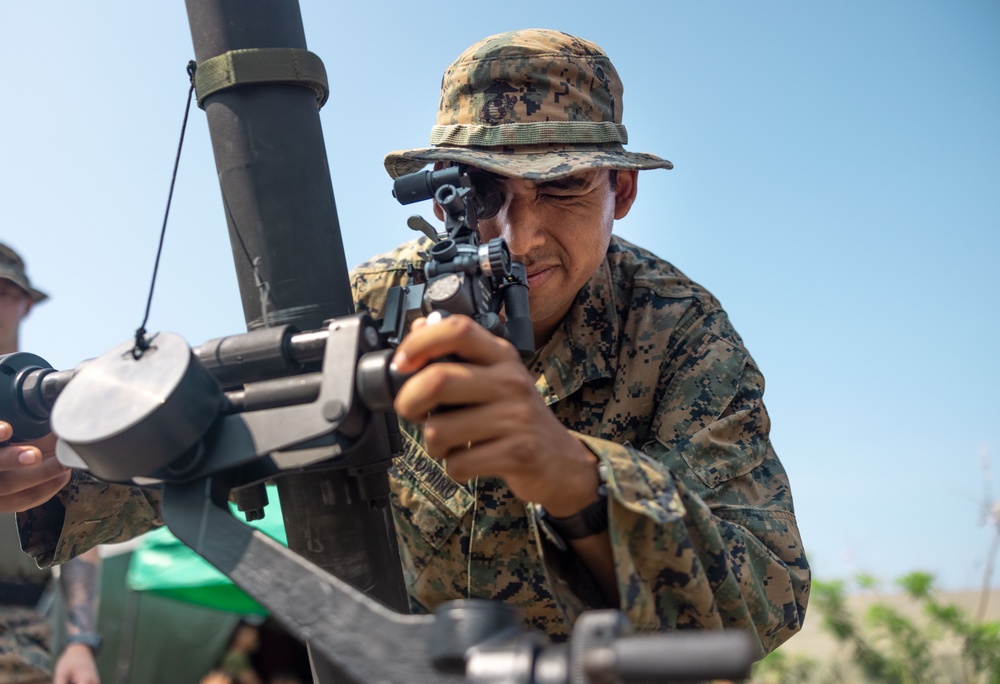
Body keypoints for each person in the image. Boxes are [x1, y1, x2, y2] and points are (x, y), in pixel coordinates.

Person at [0, 28, 809, 657]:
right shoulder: (381, 300)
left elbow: (763, 600)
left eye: (562, 188)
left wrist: (574, 476)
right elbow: (221, 435)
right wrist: (51, 465)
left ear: (620, 191)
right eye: (486, 193)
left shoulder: (677, 332)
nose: (521, 236)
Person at [0, 243, 102, 684]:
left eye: (2, 291)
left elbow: (86, 522)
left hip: (22, 638)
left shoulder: (54, 406)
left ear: (25, 304)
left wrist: (80, 641)